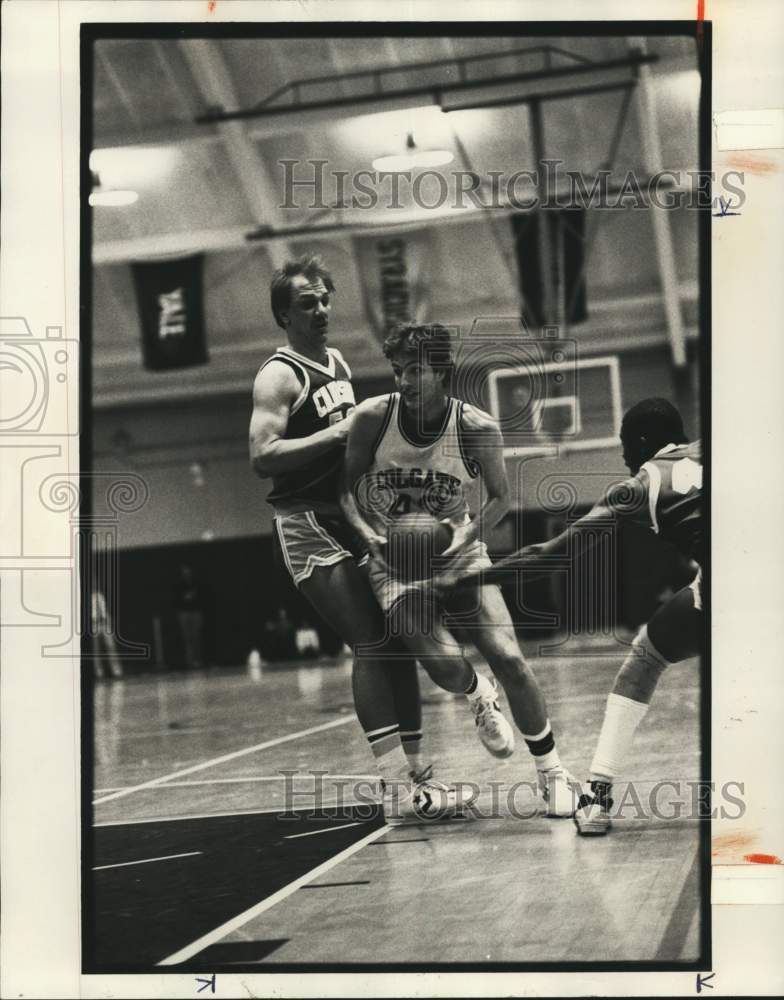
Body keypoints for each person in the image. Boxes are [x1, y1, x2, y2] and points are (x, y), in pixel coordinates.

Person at [249, 256, 466, 825]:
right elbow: (261, 456)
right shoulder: (278, 375)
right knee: (370, 642)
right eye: (306, 303)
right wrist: (338, 431)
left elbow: (354, 450)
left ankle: (418, 779)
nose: (320, 310)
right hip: (304, 523)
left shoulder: (339, 362)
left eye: (324, 299)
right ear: (283, 314)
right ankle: (395, 787)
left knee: (397, 638)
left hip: (349, 515)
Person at [341, 324, 575, 816]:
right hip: (394, 557)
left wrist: (461, 542)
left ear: (441, 372)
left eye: (416, 370)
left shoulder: (476, 426)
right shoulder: (371, 419)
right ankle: (477, 693)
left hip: (459, 547)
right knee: (445, 666)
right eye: (398, 371)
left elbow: (500, 499)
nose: (404, 381)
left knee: (508, 656)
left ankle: (553, 773)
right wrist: (369, 539)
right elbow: (345, 491)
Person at [442, 397, 703, 836]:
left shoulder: (639, 486)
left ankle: (597, 799)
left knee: (645, 662)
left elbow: (545, 556)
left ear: (642, 442)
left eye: (624, 445)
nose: (622, 456)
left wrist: (459, 582)